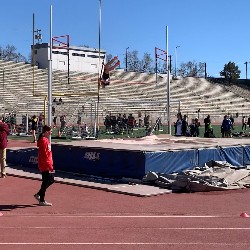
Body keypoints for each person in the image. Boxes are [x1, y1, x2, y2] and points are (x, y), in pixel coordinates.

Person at [34, 125, 54, 206]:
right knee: (46, 181)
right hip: (45, 164)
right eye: (50, 131)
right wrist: (50, 166)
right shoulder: (44, 141)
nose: (51, 132)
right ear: (46, 132)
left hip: (45, 164)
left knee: (50, 180)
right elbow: (45, 155)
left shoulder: (45, 140)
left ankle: (39, 195)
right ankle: (41, 200)